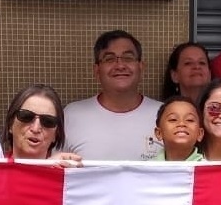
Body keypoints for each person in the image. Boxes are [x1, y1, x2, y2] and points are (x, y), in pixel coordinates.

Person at [64, 30, 162, 161]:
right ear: (97, 70)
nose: (120, 65)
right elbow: (53, 171)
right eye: (109, 59)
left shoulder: (165, 114)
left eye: (128, 58)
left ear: (141, 67)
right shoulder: (71, 115)